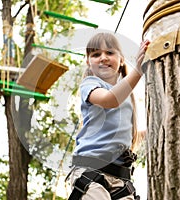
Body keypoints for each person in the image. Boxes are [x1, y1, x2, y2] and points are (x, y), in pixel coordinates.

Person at [66, 32, 150, 200]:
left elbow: (127, 135)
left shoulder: (127, 95)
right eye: (96, 54)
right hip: (90, 170)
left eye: (109, 53)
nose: (103, 57)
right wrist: (139, 70)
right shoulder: (90, 84)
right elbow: (109, 99)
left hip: (120, 178)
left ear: (121, 60)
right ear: (88, 63)